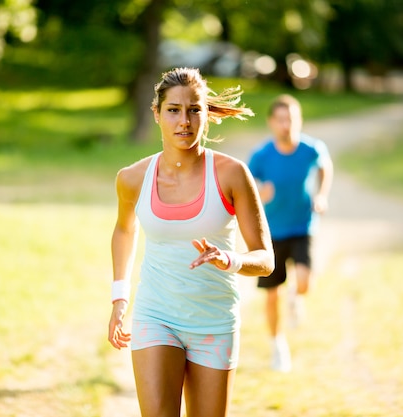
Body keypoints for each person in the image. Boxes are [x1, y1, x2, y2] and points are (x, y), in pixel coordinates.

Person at [107, 67, 274, 417]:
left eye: (194, 110)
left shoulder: (231, 174)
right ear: (156, 113)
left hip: (213, 321)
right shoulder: (133, 179)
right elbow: (125, 230)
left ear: (206, 114)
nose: (184, 121)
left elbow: (266, 258)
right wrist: (119, 299)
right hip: (157, 316)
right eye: (173, 110)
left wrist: (231, 259)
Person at [248, 94, 333, 373]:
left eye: (292, 120)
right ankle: (277, 346)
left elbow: (325, 167)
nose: (287, 125)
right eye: (281, 120)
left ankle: (297, 299)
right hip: (270, 233)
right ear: (272, 123)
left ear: (299, 121)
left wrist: (321, 195)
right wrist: (260, 192)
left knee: (305, 281)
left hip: (302, 225)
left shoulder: (311, 149)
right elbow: (247, 188)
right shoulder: (261, 156)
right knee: (272, 294)